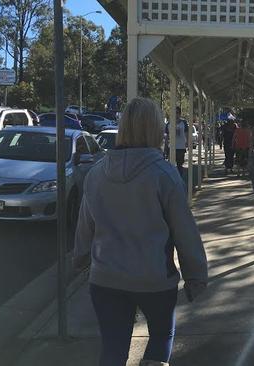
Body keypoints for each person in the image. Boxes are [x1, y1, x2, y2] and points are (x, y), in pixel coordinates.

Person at [73, 97, 208, 366]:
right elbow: (184, 232)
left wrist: (82, 260)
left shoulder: (97, 173)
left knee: (113, 349)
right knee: (160, 338)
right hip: (155, 279)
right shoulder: (165, 175)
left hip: (105, 280)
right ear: (157, 129)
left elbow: (85, 226)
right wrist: (196, 276)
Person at [164, 107, 188, 176]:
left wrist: (187, 144)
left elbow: (187, 134)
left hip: (181, 147)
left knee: (179, 166)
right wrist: (166, 147)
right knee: (170, 166)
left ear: (180, 114)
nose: (175, 114)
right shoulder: (169, 124)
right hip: (171, 148)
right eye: (174, 113)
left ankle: (179, 180)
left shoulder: (184, 123)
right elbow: (167, 136)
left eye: (177, 113)